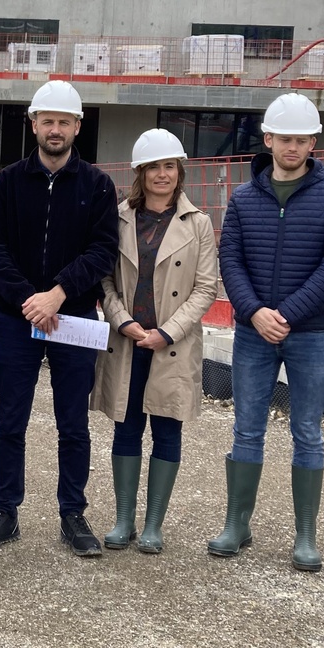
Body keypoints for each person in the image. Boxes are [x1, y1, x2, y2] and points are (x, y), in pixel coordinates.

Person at [210, 93, 324, 571]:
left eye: (301, 139)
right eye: (284, 139)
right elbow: (229, 259)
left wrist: (287, 314)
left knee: (307, 432)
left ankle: (306, 535)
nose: (292, 147)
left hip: (310, 332)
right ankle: (237, 523)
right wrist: (254, 312)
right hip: (254, 331)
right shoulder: (244, 198)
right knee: (246, 429)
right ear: (268, 139)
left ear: (313, 142)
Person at [0, 80, 119, 556]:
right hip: (18, 320)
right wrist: (28, 301)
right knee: (9, 419)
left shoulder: (97, 185)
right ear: (33, 124)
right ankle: (5, 511)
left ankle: (72, 513)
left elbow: (102, 252)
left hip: (73, 316)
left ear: (78, 127)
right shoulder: (8, 183)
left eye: (64, 122)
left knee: (72, 422)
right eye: (47, 121)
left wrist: (56, 294)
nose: (55, 129)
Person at [91, 129, 218, 553]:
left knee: (167, 431)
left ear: (178, 171)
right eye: (152, 167)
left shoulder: (197, 223)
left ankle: (153, 525)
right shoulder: (120, 216)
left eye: (169, 166)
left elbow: (205, 288)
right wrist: (121, 320)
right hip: (127, 339)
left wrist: (167, 331)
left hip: (171, 344)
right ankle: (124, 519)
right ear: (139, 173)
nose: (161, 175)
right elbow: (106, 278)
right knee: (126, 431)